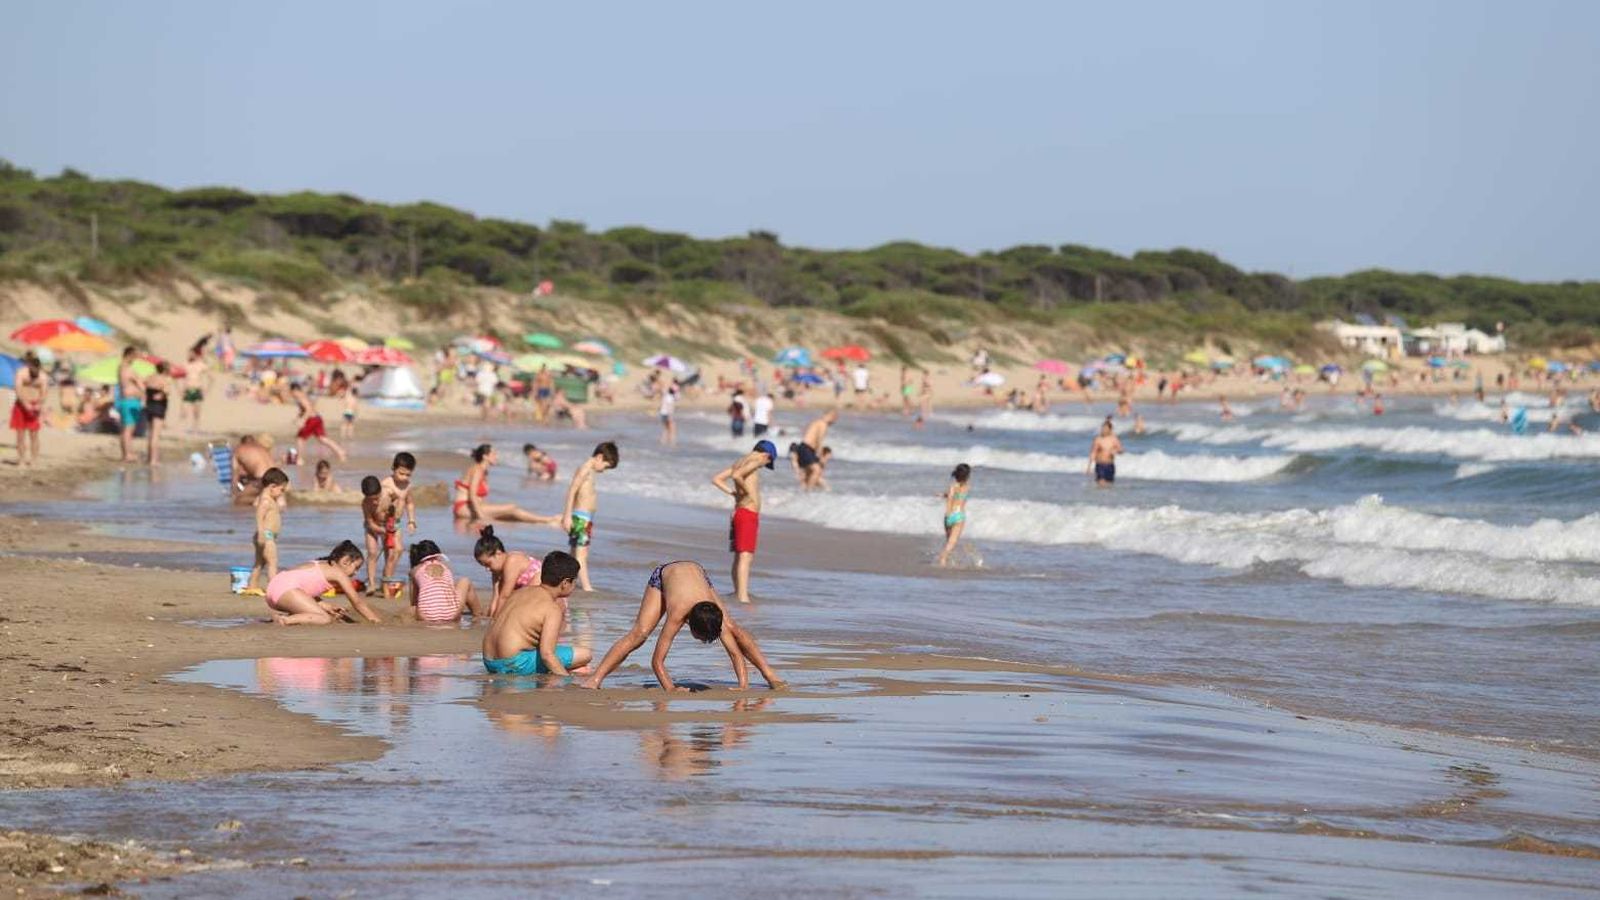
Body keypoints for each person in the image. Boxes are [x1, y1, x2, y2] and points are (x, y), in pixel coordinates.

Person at [579, 560, 784, 692]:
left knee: (733, 628)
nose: (703, 642)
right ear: (689, 624)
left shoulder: (714, 614)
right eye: (702, 638)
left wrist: (743, 686)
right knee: (639, 634)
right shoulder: (677, 614)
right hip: (664, 575)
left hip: (697, 572)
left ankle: (770, 675)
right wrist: (671, 688)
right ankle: (594, 680)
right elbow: (657, 661)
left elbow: (735, 654)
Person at [482, 550, 594, 676]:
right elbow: (547, 655)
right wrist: (565, 680)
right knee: (585, 655)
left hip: (489, 661)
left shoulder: (520, 592)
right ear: (565, 583)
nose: (574, 586)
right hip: (514, 664)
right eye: (574, 582)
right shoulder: (552, 609)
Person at [711, 440, 776, 603]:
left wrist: (734, 493)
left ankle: (737, 592)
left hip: (738, 512)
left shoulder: (740, 461)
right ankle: (743, 597)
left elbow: (717, 479)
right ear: (766, 455)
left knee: (739, 556)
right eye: (767, 462)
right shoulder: (756, 460)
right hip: (748, 514)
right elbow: (736, 476)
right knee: (746, 557)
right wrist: (748, 493)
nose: (763, 465)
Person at [266, 540, 382, 626]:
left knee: (318, 613)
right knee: (324, 618)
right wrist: (375, 620)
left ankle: (291, 617)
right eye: (356, 567)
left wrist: (326, 606)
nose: (356, 573)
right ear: (345, 561)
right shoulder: (339, 573)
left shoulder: (321, 563)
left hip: (274, 588)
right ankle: (285, 620)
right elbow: (357, 602)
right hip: (286, 590)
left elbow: (305, 590)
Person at [453, 443, 560, 523]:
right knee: (512, 507)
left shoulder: (484, 472)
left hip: (473, 508)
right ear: (485, 456)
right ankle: (547, 520)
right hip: (464, 508)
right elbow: (472, 494)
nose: (496, 457)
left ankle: (544, 520)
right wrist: (481, 516)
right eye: (494, 454)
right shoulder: (477, 469)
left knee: (512, 517)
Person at [561, 441, 619, 592]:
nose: (604, 470)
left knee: (575, 553)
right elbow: (572, 490)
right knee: (581, 553)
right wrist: (566, 516)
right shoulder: (585, 469)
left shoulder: (589, 470)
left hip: (584, 517)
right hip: (581, 517)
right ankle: (587, 587)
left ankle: (565, 579)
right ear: (599, 457)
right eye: (606, 466)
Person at [472, 526, 548, 618]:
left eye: (488, 564)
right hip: (525, 597)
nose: (487, 569)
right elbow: (496, 598)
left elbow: (505, 596)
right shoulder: (496, 571)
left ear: (498, 553)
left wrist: (496, 621)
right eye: (483, 565)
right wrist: (491, 618)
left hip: (543, 592)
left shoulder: (512, 560)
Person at [408, 539, 483, 624]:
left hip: (425, 616)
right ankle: (478, 614)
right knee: (465, 581)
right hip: (452, 615)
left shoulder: (415, 571)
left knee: (412, 608)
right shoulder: (445, 566)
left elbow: (414, 601)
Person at [246, 467, 289, 594]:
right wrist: (261, 533)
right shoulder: (266, 500)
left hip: (264, 535)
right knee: (272, 562)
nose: (282, 493)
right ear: (272, 486)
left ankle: (252, 586)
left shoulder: (267, 498)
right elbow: (259, 516)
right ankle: (273, 588)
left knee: (259, 563)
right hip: (266, 535)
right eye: (281, 490)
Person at [379, 452, 418, 584]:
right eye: (401, 473)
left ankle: (387, 576)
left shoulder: (407, 485)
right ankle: (386, 580)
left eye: (408, 474)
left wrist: (411, 521)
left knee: (399, 550)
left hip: (397, 522)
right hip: (384, 522)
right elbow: (378, 505)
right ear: (393, 468)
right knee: (390, 553)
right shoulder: (386, 484)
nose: (404, 477)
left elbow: (410, 503)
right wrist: (389, 497)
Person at [291, 381, 346, 464]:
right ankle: (340, 451)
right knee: (322, 438)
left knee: (300, 439)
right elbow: (307, 408)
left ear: (295, 390)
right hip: (317, 418)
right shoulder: (303, 396)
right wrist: (298, 417)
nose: (292, 394)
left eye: (291, 392)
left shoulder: (300, 397)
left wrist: (302, 420)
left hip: (312, 419)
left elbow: (308, 409)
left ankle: (300, 459)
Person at [9, 352, 45, 466]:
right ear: (29, 367)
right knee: (20, 434)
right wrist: (25, 404)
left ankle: (34, 460)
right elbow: (18, 390)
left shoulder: (42, 376)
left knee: (34, 435)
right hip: (21, 405)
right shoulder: (21, 374)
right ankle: (21, 460)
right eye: (33, 369)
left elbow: (44, 392)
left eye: (37, 370)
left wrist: (39, 403)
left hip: (34, 405)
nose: (35, 372)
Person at [360, 475, 391, 594]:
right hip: (372, 527)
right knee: (372, 553)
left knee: (389, 554)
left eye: (376, 498)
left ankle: (386, 581)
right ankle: (372, 583)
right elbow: (369, 521)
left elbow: (400, 502)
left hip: (387, 525)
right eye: (371, 499)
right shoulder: (365, 504)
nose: (374, 502)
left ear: (380, 491)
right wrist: (380, 530)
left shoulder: (388, 494)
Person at [790, 409, 835, 490]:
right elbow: (819, 440)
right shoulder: (823, 424)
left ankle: (804, 490)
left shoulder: (816, 422)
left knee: (808, 473)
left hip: (804, 447)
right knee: (817, 470)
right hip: (807, 448)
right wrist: (820, 454)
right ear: (831, 417)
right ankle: (809, 492)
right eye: (834, 419)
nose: (834, 422)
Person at [115, 346, 145, 463]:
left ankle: (126, 453)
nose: (136, 358)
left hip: (126, 401)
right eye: (135, 356)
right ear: (130, 355)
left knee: (126, 428)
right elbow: (140, 384)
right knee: (129, 429)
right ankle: (128, 455)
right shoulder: (127, 369)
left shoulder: (121, 368)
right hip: (130, 401)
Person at [937, 463, 971, 567]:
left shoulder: (953, 486)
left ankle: (947, 560)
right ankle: (942, 558)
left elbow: (951, 497)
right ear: (967, 476)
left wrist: (947, 514)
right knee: (951, 543)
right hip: (959, 516)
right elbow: (957, 496)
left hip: (949, 516)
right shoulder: (968, 487)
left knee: (949, 542)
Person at [143, 361, 171, 466]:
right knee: (156, 435)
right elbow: (167, 391)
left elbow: (143, 384)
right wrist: (162, 394)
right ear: (165, 370)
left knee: (150, 433)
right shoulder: (165, 379)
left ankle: (149, 458)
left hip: (149, 405)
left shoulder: (150, 377)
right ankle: (153, 460)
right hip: (159, 406)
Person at [1088, 418, 1124, 487]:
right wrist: (1089, 467)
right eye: (1103, 428)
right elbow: (1093, 452)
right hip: (1100, 465)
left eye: (1105, 428)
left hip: (1110, 465)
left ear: (1110, 429)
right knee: (1101, 484)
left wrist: (1116, 451)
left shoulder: (1114, 439)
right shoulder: (1098, 439)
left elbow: (1121, 450)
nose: (1103, 430)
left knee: (1109, 486)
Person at [181, 350, 206, 433]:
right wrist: (181, 389)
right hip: (187, 389)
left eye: (192, 354)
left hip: (197, 389)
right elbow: (180, 377)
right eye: (189, 354)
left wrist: (205, 389)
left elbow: (210, 377)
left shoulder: (201, 365)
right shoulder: (185, 365)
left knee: (197, 411)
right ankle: (183, 427)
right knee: (184, 410)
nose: (190, 355)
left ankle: (195, 428)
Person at [658, 381, 678, 446]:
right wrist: (670, 416)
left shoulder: (665, 396)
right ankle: (672, 443)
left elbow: (662, 405)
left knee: (666, 429)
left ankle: (663, 441)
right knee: (672, 429)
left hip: (662, 413)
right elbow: (669, 407)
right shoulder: (670, 398)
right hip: (667, 414)